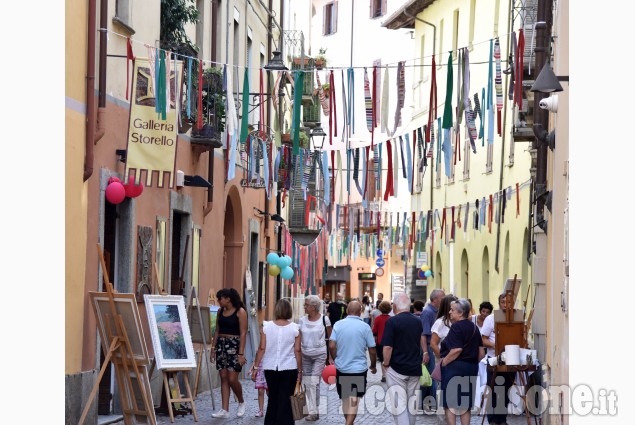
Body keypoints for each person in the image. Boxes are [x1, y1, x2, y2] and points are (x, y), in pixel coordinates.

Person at [251, 299, 302, 425]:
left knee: (273, 397)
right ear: (289, 311)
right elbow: (297, 350)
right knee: (286, 398)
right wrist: (300, 370)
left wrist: (256, 367)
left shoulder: (266, 326)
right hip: (289, 367)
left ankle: (270, 422)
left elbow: (262, 348)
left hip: (270, 367)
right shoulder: (295, 328)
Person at [329, 300, 378, 425]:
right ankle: (348, 423)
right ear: (360, 312)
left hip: (342, 368)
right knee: (354, 399)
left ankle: (348, 423)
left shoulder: (338, 325)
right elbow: (372, 349)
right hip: (358, 369)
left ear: (346, 311)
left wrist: (336, 359)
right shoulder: (365, 327)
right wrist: (373, 365)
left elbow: (332, 345)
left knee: (346, 398)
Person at [439, 298, 485, 425]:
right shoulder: (475, 328)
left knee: (450, 403)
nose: (449, 312)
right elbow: (481, 353)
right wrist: (469, 361)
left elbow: (456, 350)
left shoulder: (456, 327)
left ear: (460, 313)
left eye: (452, 310)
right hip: (470, 368)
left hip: (454, 368)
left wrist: (444, 362)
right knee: (465, 404)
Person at [381, 292, 424, 425]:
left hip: (397, 367)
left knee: (399, 405)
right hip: (415, 367)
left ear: (394, 306)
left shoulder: (392, 321)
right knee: (412, 404)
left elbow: (388, 347)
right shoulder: (418, 321)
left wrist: (385, 364)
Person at [210, 288, 248, 418]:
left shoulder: (240, 312)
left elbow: (243, 333)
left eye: (220, 298)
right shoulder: (220, 311)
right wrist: (213, 348)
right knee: (224, 377)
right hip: (221, 345)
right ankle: (224, 410)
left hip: (235, 346)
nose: (219, 301)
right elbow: (217, 330)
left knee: (232, 378)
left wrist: (241, 354)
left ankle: (241, 402)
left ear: (228, 299)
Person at [481, 294, 515, 425]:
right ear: (499, 303)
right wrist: (496, 346)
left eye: (508, 302)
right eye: (503, 302)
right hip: (494, 358)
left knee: (506, 389)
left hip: (511, 359)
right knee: (494, 389)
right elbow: (483, 339)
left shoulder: (515, 317)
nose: (505, 304)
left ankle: (502, 419)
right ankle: (492, 420)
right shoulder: (491, 318)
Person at [299, 295, 332, 421]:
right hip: (305, 354)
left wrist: (331, 357)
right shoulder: (302, 320)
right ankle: (311, 409)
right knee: (307, 382)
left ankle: (314, 410)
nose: (304, 307)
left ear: (313, 307)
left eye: (306, 305)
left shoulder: (325, 320)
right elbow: (299, 338)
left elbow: (331, 337)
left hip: (319, 354)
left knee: (314, 381)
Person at [420, 288, 445, 411]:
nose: (444, 300)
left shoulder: (436, 311)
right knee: (432, 376)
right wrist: (425, 352)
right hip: (430, 347)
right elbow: (423, 334)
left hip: (433, 347)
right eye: (442, 298)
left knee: (431, 376)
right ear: (435, 300)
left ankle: (427, 402)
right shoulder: (428, 312)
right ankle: (433, 403)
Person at [430, 295, 459, 361]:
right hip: (444, 361)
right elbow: (433, 344)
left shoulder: (457, 321)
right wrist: (443, 359)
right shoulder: (440, 323)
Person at [371, 300, 392, 382]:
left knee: (382, 359)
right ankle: (389, 374)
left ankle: (384, 375)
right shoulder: (391, 319)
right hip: (390, 342)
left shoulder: (378, 319)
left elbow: (374, 331)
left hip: (380, 342)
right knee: (389, 359)